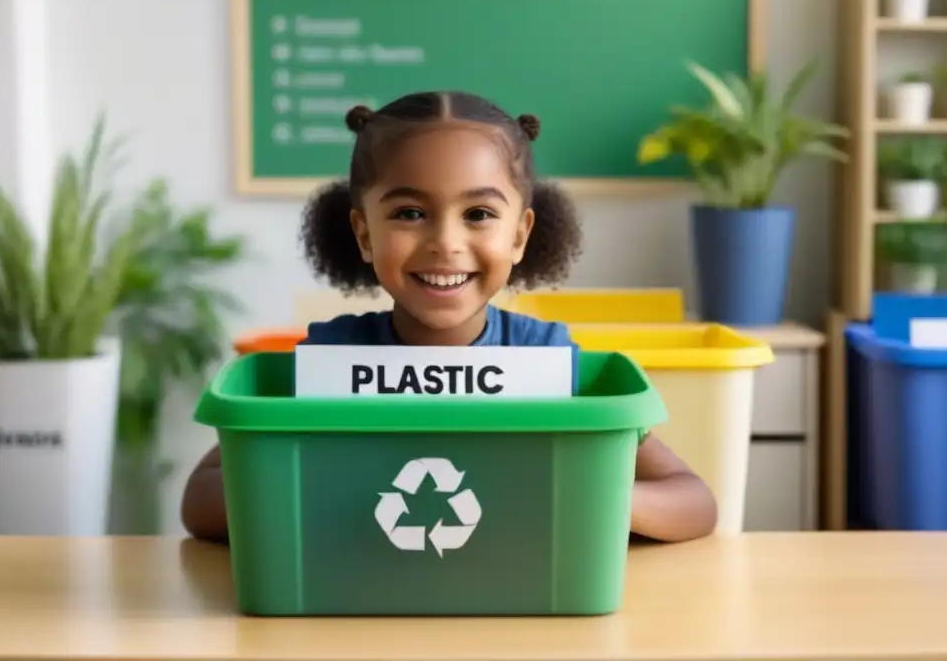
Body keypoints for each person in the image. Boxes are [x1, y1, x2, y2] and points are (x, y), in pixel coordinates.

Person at [181, 90, 717, 544]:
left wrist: (589, 496)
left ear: (520, 235)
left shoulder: (548, 364)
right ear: (364, 233)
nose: (445, 243)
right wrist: (317, 489)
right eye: (410, 214)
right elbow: (200, 500)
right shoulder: (328, 363)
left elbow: (693, 502)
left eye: (479, 215)